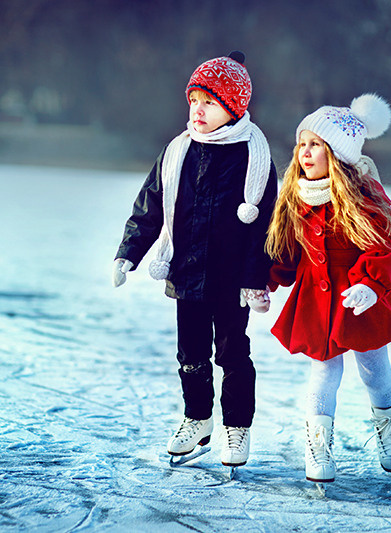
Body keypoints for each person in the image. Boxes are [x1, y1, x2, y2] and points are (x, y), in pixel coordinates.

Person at [112, 51, 277, 469]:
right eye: (193, 101)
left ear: (233, 107)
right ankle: (197, 418)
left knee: (233, 354)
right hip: (187, 272)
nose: (198, 110)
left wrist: (255, 279)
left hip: (233, 277)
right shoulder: (177, 152)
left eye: (210, 102)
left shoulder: (254, 160)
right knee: (190, 353)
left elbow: (266, 228)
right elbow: (150, 204)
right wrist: (128, 253)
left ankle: (236, 428)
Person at [265, 94, 391, 484]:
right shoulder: (296, 195)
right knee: (324, 371)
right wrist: (264, 282)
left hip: (360, 297)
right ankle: (318, 448)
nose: (305, 152)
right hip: (316, 297)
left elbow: (382, 249)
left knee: (373, 368)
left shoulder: (366, 196)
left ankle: (389, 429)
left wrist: (368, 285)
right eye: (302, 144)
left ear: (338, 153)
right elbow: (286, 252)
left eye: (316, 145)